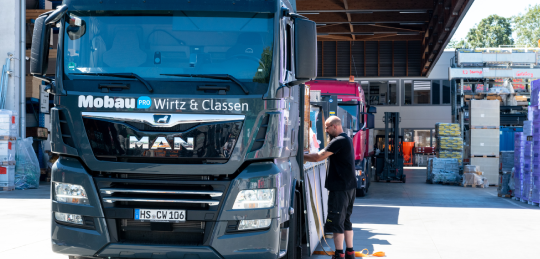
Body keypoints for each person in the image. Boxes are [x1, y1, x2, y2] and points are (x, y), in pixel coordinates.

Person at [304, 116, 356, 259]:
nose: (326, 130)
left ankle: (339, 254)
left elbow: (318, 157)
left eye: (327, 127)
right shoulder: (347, 139)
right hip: (349, 187)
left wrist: (302, 156)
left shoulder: (338, 141)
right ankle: (350, 252)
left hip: (340, 188)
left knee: (336, 222)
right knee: (346, 220)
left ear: (334, 126)